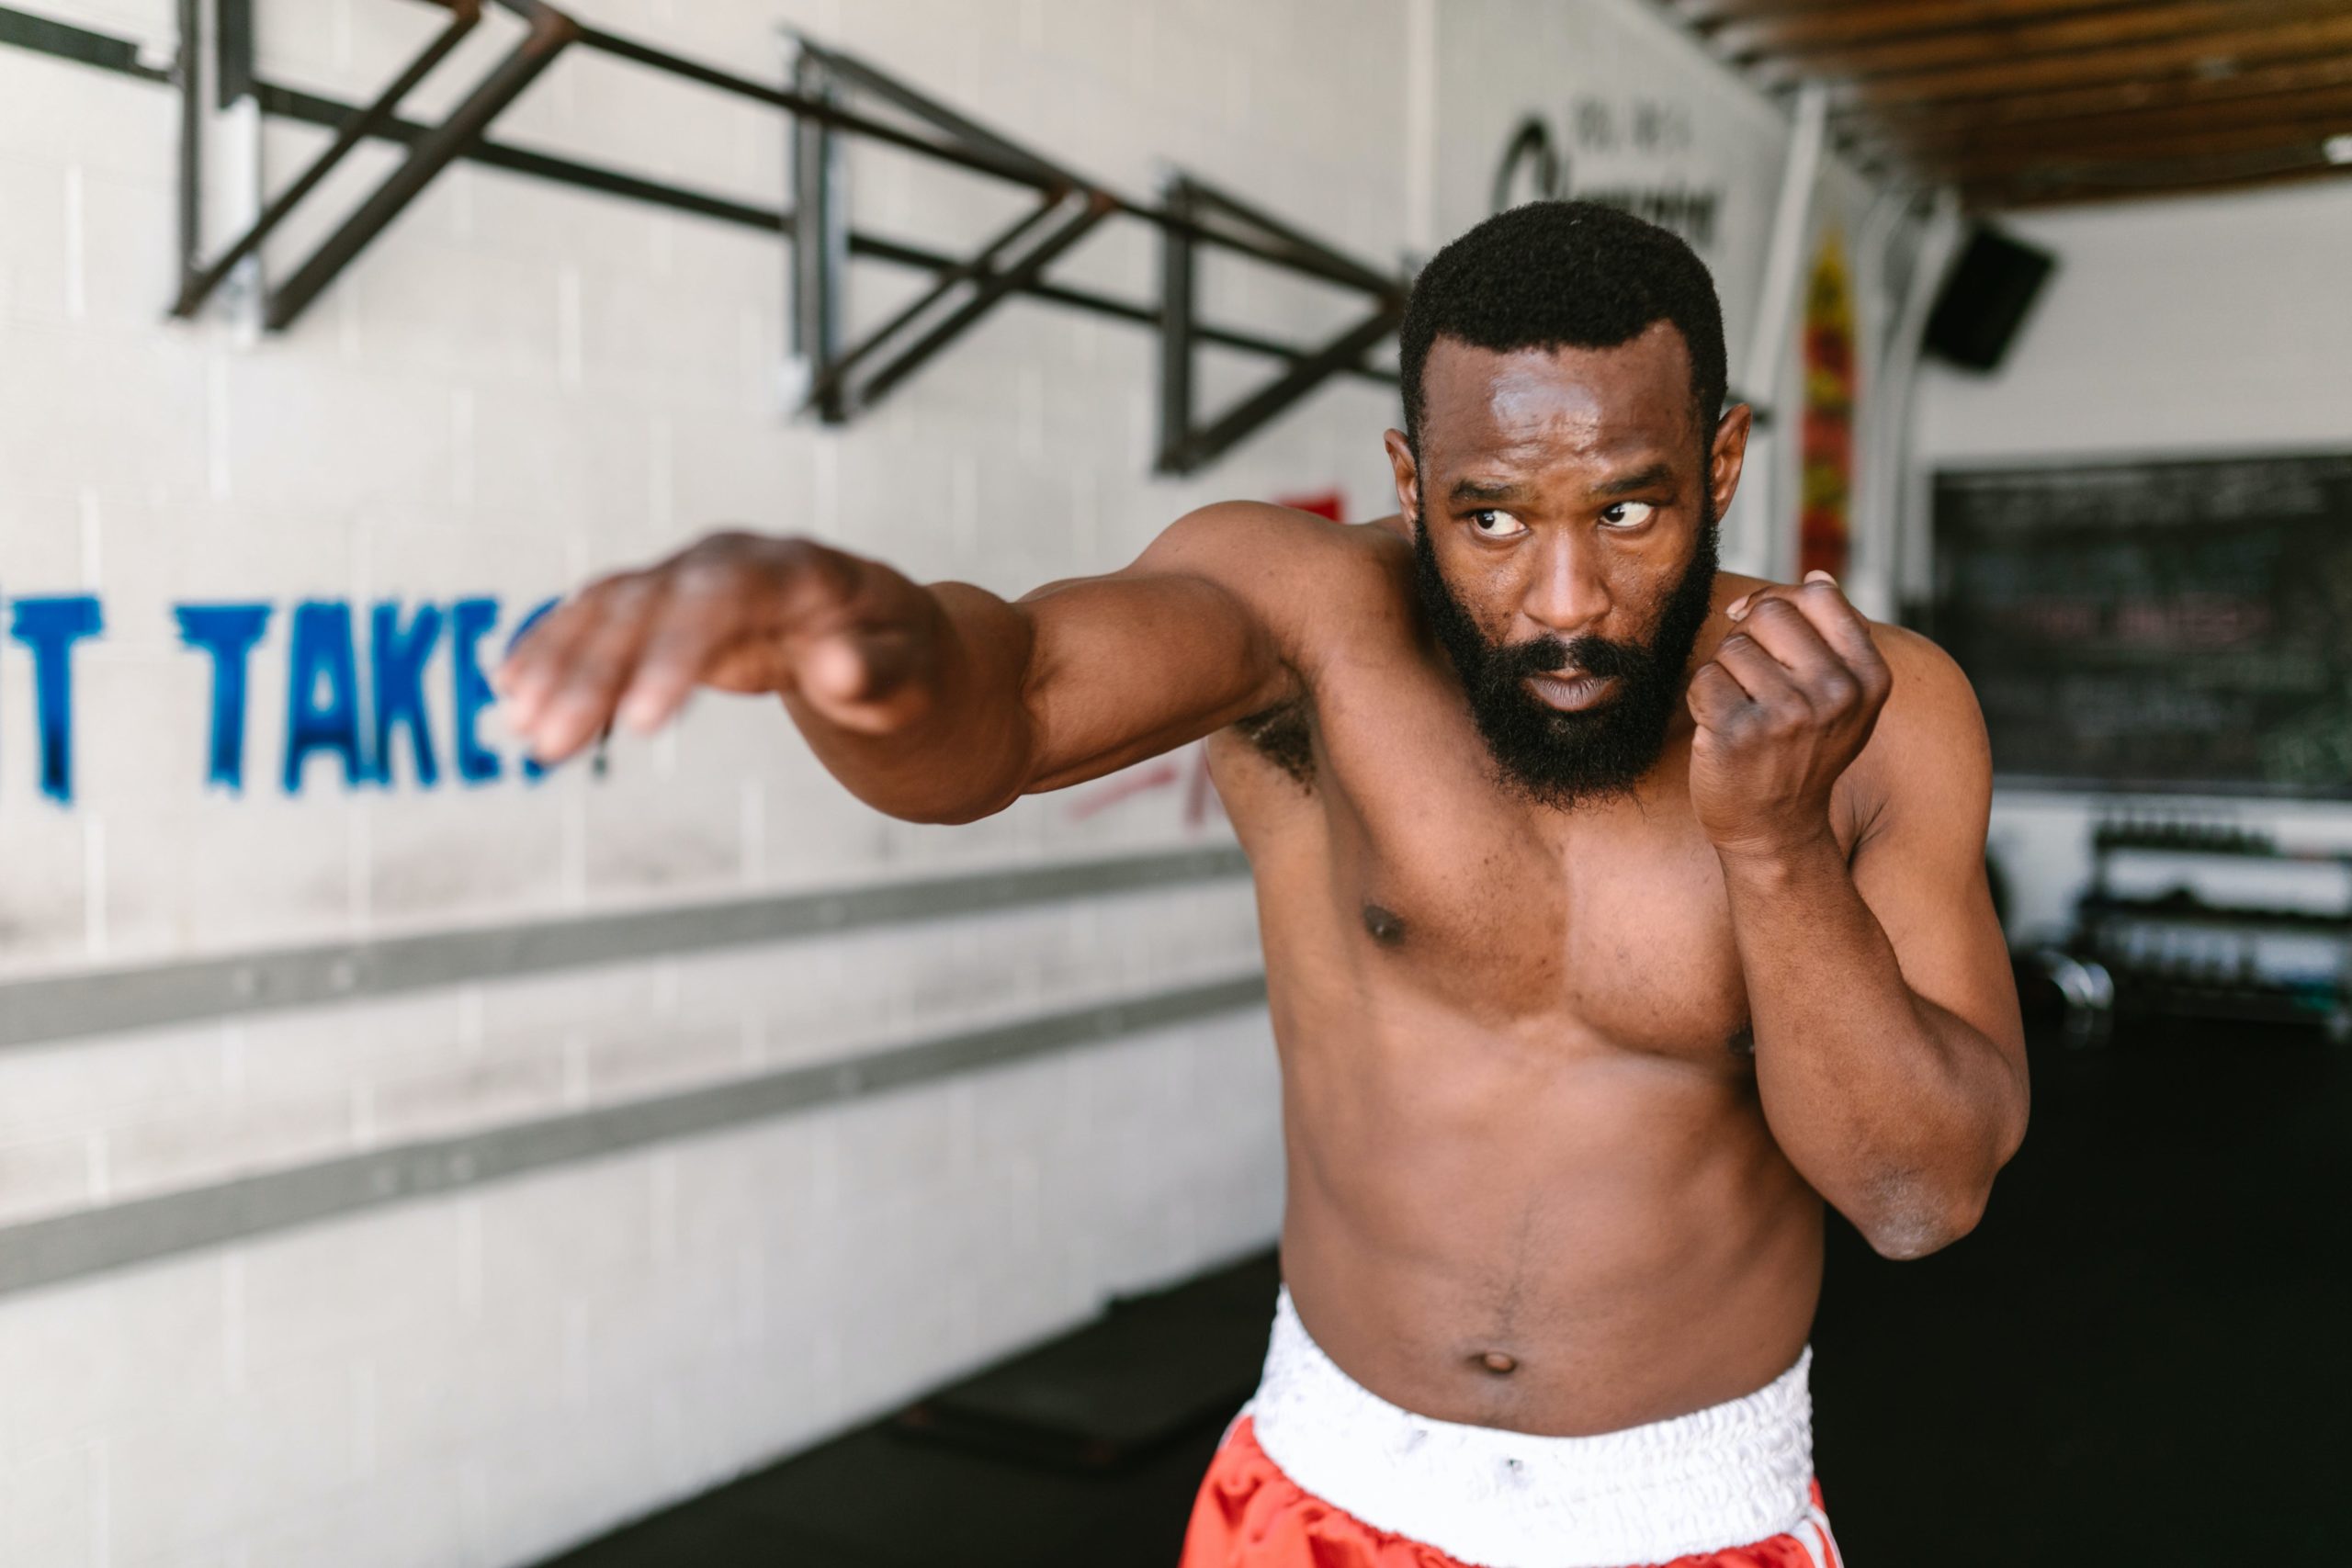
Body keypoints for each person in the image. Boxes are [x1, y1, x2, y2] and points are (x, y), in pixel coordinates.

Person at [497, 200, 2026, 1568]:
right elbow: (1011, 702)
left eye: (1626, 510)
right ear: (1409, 478)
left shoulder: (1875, 709)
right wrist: (854, 634)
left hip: (1685, 1521)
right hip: (1318, 1493)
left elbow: (1917, 1195)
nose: (1563, 602)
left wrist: (1773, 846)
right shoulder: (1304, 621)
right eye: (1487, 518)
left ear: (1723, 461)